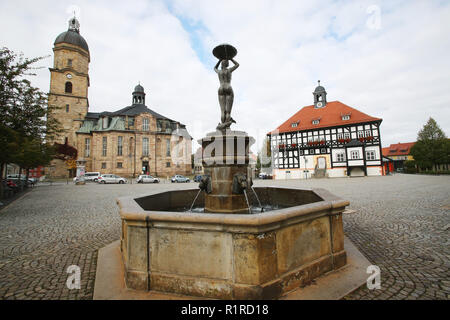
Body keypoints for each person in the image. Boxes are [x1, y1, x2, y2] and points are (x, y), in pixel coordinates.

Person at [214, 58, 239, 129]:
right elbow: (237, 65)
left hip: (221, 88)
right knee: (228, 112)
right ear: (227, 64)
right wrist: (231, 58)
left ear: (222, 64)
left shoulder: (219, 71)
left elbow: (214, 68)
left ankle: (223, 125)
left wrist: (219, 60)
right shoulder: (229, 70)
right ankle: (226, 127)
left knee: (222, 110)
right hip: (228, 87)